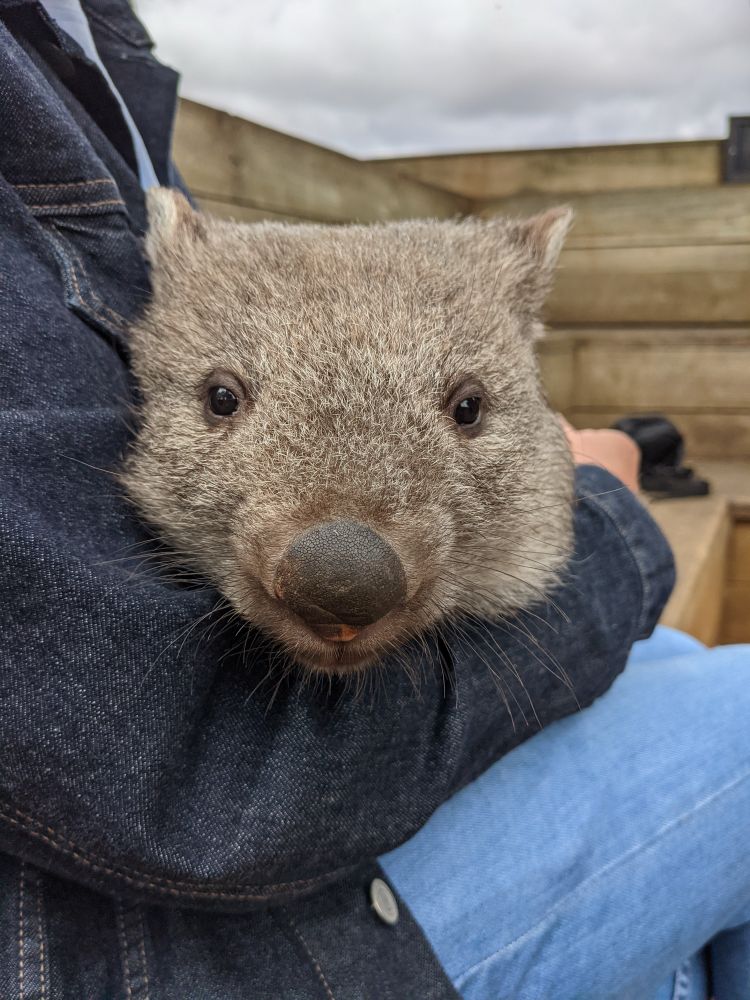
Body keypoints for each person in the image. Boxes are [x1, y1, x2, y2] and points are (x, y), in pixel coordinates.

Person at [0, 2, 747, 997]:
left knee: (680, 666)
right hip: (176, 938)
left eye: (465, 409)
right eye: (224, 402)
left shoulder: (94, 48)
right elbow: (192, 778)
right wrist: (609, 517)